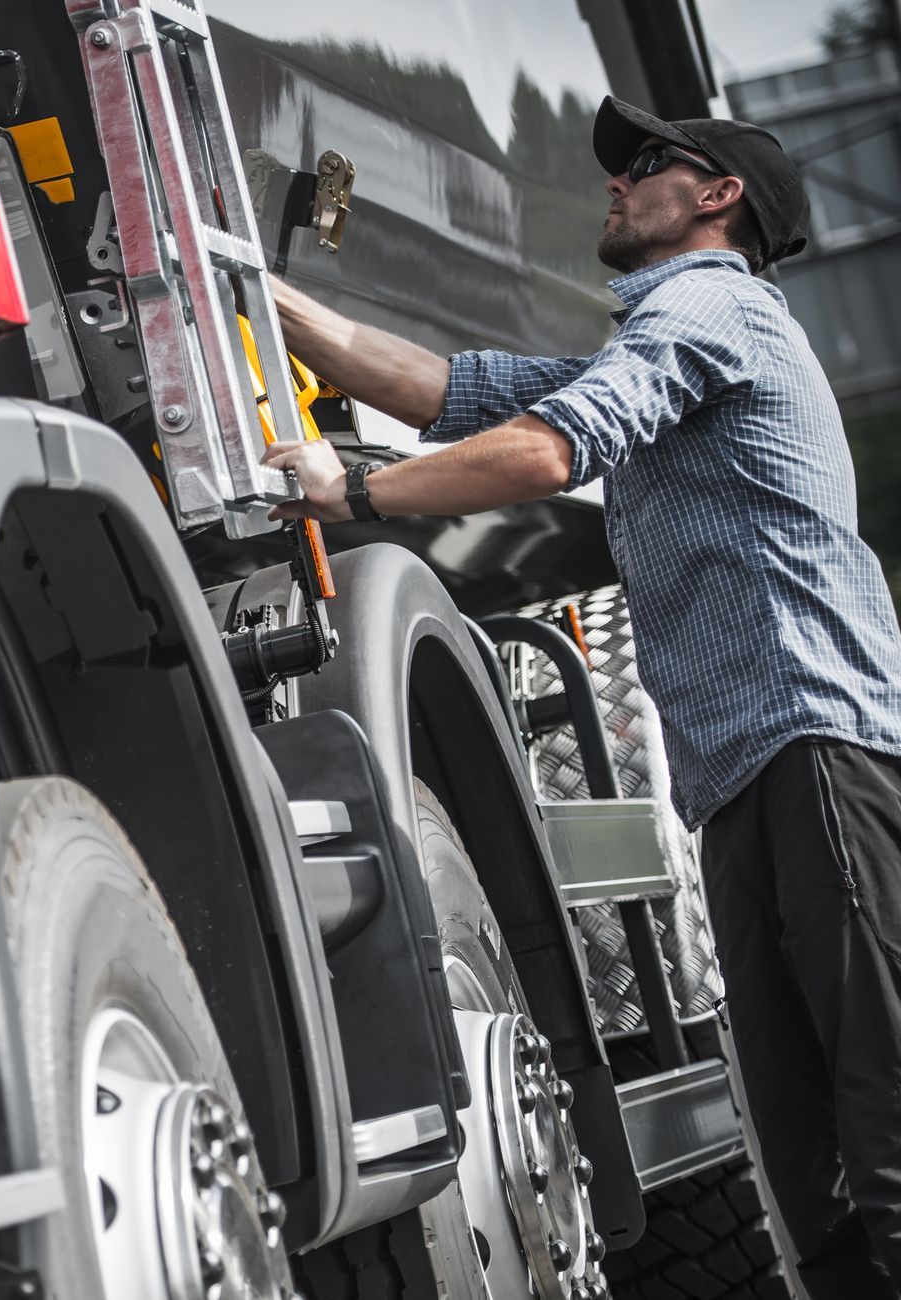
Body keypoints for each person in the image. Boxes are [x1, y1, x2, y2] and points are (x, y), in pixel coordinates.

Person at [263, 96, 901, 1296]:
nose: (615, 182)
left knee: (884, 1140)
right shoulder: (675, 343)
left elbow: (553, 448)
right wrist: (275, 305)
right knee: (810, 1176)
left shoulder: (709, 304)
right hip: (752, 784)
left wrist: (353, 491)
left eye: (645, 164)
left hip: (818, 756)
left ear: (717, 197)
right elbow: (454, 392)